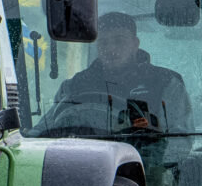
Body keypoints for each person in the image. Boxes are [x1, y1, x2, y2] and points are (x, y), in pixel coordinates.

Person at [46, 11, 190, 133]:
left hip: (144, 158)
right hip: (83, 157)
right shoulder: (73, 87)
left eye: (119, 41)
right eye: (103, 42)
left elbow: (179, 141)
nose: (111, 49)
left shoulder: (165, 84)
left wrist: (150, 150)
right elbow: (43, 131)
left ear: (135, 44)